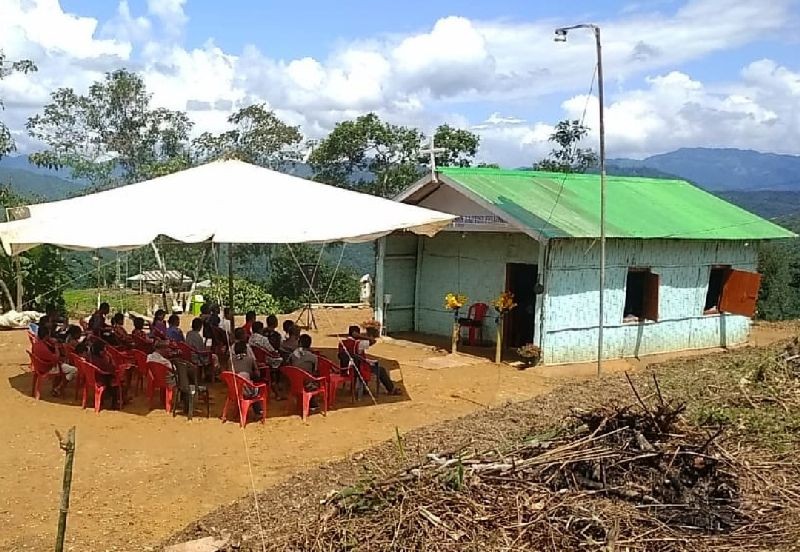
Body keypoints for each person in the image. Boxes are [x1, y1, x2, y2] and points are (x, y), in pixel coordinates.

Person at [347, 325, 402, 396]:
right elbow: (373, 341)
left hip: (348, 368)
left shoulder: (342, 343)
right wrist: (362, 336)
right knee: (381, 370)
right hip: (358, 368)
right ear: (355, 333)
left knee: (365, 364)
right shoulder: (359, 344)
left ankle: (362, 388)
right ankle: (391, 389)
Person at [32, 325, 78, 396]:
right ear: (46, 336)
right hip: (47, 368)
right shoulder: (43, 348)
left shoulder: (36, 344)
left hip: (39, 366)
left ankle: (56, 386)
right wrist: (56, 346)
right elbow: (56, 358)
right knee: (74, 370)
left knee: (63, 364)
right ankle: (58, 388)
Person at [230, 340, 263, 419]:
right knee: (254, 388)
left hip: (234, 389)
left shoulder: (230, 360)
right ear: (245, 350)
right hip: (246, 391)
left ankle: (239, 409)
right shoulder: (250, 359)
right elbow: (257, 374)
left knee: (246, 383)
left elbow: (229, 372)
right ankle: (258, 412)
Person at [290, 333, 321, 409]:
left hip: (294, 382)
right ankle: (312, 402)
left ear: (299, 343)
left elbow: (290, 363)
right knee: (315, 379)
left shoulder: (294, 354)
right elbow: (315, 371)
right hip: (307, 384)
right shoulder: (313, 357)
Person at [88, 340, 120, 409]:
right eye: (104, 349)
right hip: (102, 379)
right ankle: (115, 402)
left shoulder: (92, 357)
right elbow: (112, 368)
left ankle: (119, 399)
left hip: (94, 377)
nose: (106, 351)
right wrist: (110, 358)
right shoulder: (102, 360)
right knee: (115, 381)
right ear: (100, 351)